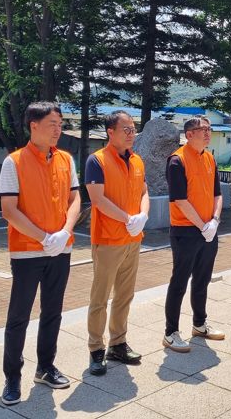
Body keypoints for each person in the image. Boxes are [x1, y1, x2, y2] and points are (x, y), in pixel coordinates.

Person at [0, 102, 81, 406]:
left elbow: (75, 198)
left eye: (60, 124)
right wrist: (43, 236)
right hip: (28, 251)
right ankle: (12, 377)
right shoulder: (14, 162)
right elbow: (8, 210)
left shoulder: (66, 159)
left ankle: (45, 367)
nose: (58, 129)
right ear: (34, 125)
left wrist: (63, 232)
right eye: (52, 124)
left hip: (61, 248)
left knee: (53, 312)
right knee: (18, 316)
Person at [84, 110, 149, 375]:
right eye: (127, 129)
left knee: (125, 294)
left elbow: (145, 191)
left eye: (133, 129)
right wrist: (126, 218)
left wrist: (142, 215)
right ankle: (96, 349)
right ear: (111, 132)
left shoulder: (137, 160)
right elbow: (98, 199)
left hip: (133, 238)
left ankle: (118, 343)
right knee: (100, 297)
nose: (131, 134)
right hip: (109, 239)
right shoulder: (96, 161)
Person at [162, 116, 225, 353]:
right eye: (203, 130)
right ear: (189, 135)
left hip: (209, 229)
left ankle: (199, 324)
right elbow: (179, 200)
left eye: (209, 129)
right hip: (186, 230)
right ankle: (170, 332)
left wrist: (215, 221)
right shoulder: (177, 161)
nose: (208, 133)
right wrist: (202, 225)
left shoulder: (209, 157)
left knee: (202, 279)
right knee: (179, 281)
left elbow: (217, 194)